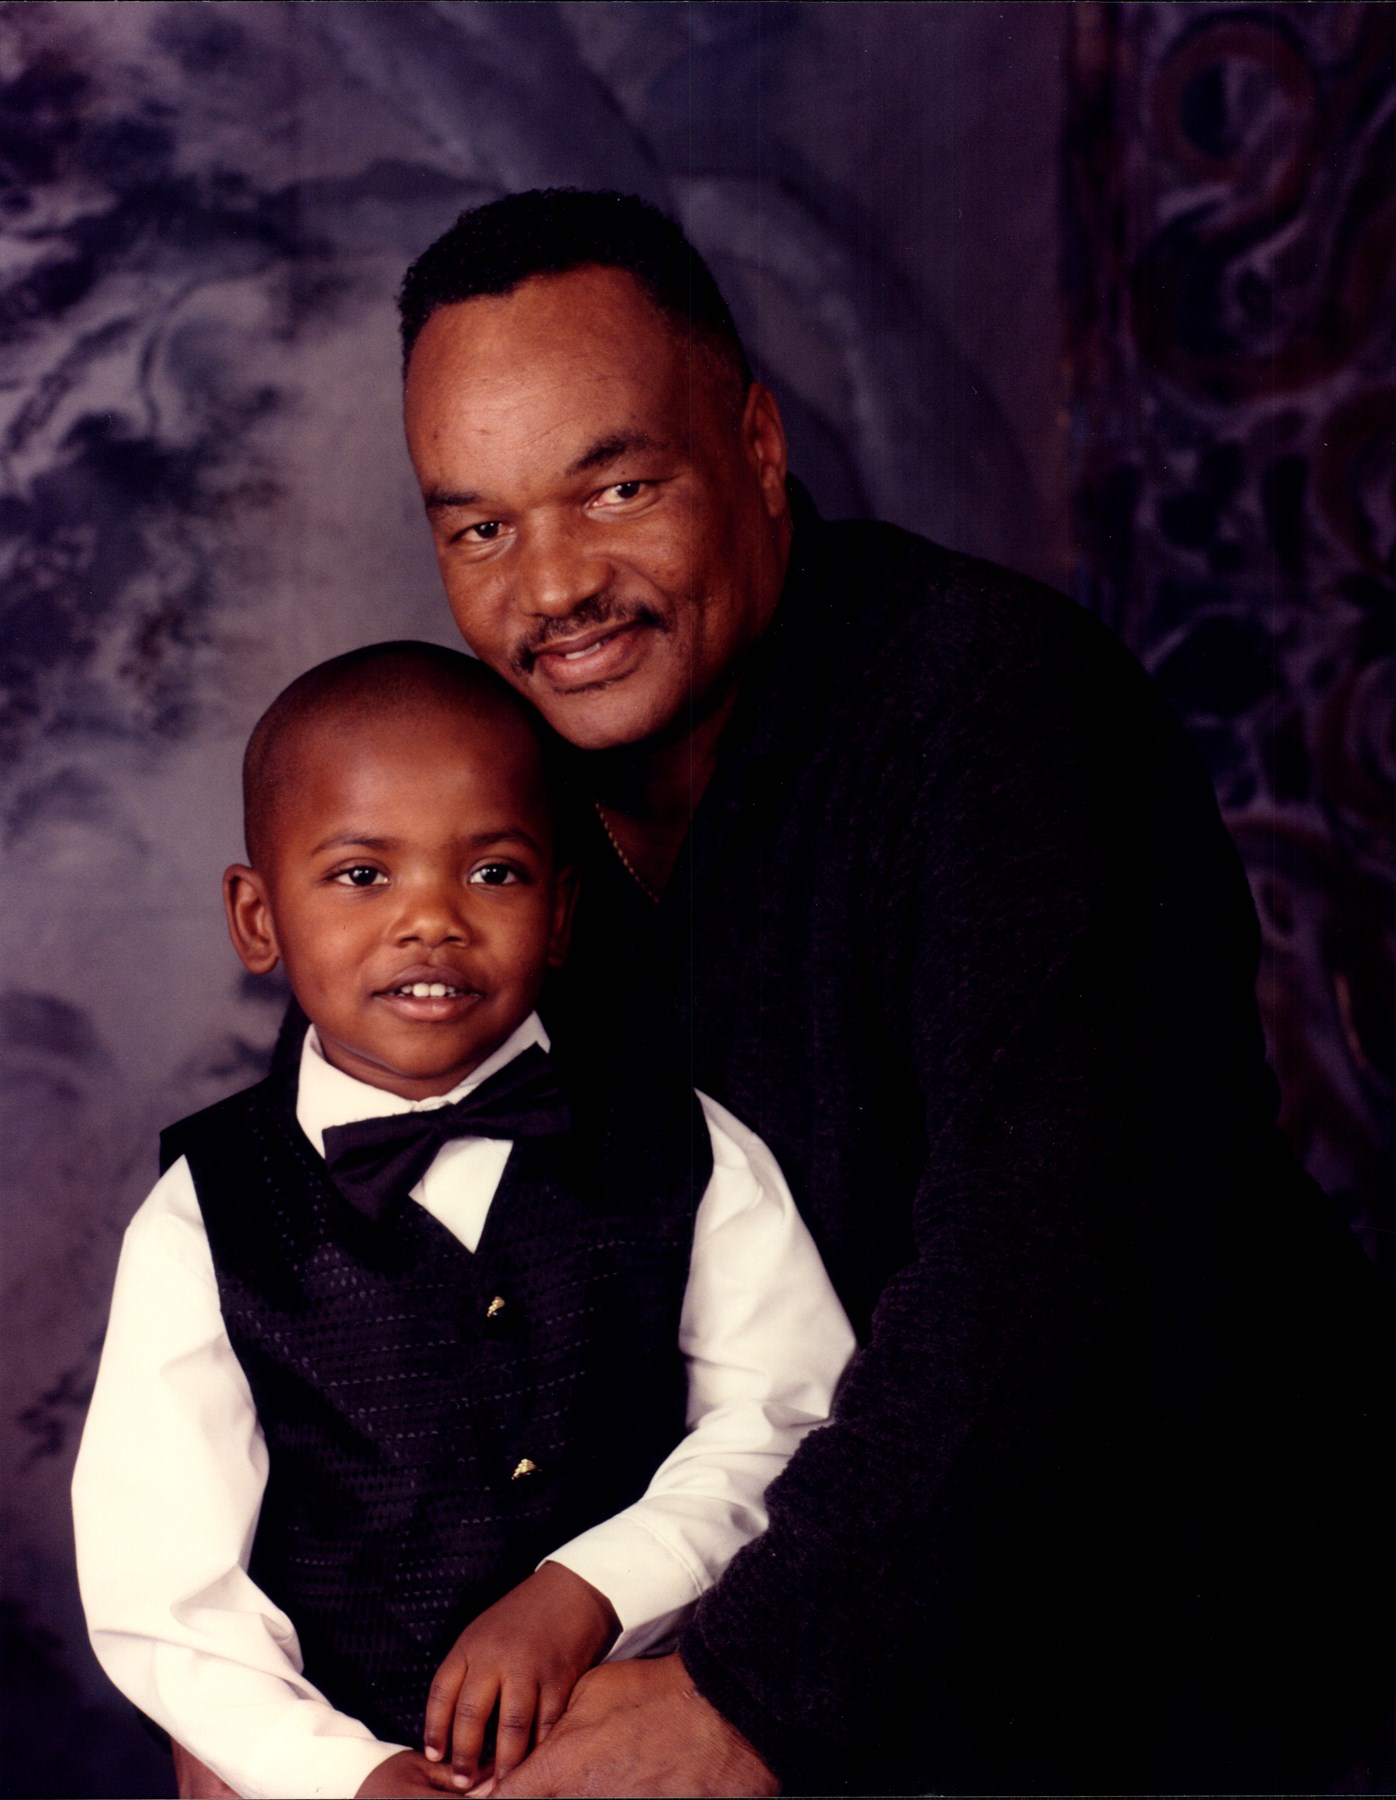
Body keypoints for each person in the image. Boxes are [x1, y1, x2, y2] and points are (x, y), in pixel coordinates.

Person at [388, 189, 1396, 1796]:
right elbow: (343, 1237)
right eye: (481, 529)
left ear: (757, 445)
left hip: (1195, 1658)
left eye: (618, 488)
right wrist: (266, 1690)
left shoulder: (1004, 718)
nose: (556, 586)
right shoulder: (474, 808)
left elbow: (1046, 1267)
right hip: (763, 1643)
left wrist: (740, 1695)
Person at [72, 643, 854, 1800]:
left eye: (492, 872)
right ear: (257, 915)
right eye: (360, 874)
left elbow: (786, 1417)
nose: (431, 920)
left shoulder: (686, 1145)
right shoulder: (202, 1216)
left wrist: (591, 1588)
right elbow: (165, 1585)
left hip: (635, 1759)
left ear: (561, 911)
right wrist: (339, 1774)